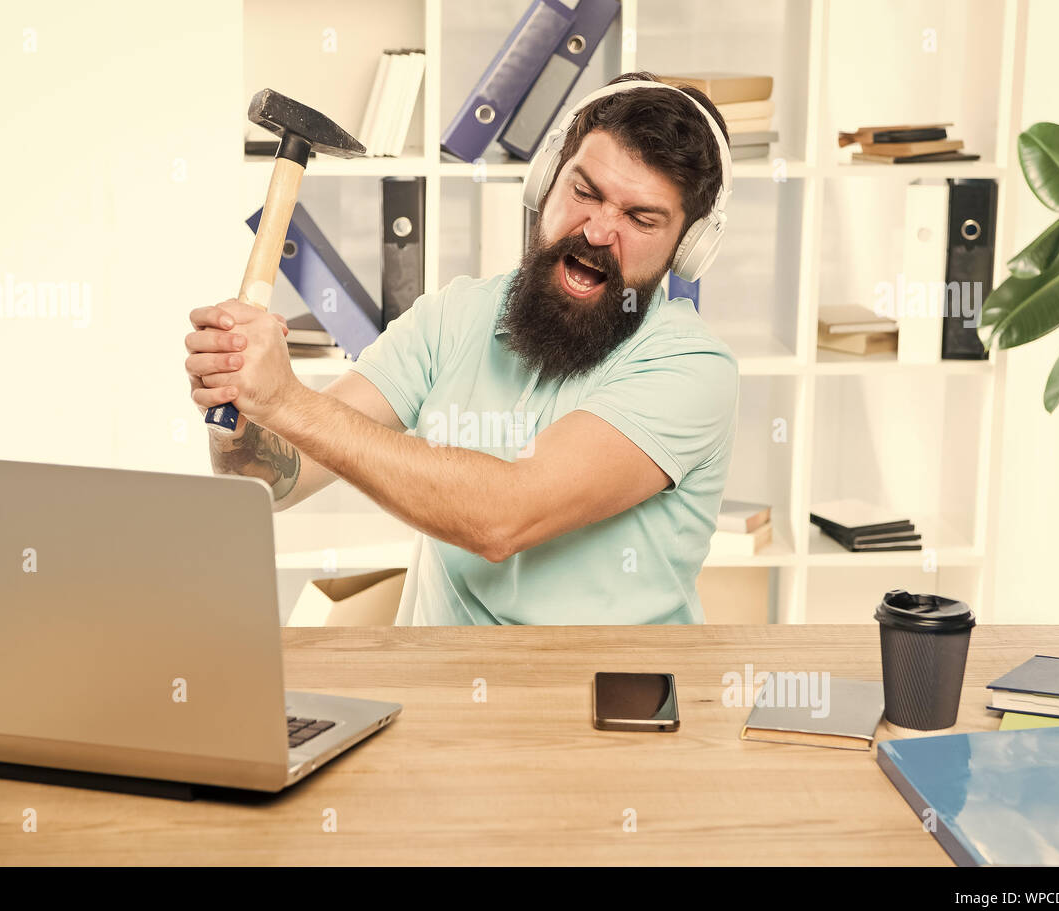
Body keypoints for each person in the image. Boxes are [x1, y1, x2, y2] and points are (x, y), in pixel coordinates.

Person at [184, 71, 739, 625]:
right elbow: (271, 480)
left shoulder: (692, 369)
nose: (597, 231)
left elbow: (502, 519)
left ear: (687, 249)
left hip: (605, 702)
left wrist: (288, 401)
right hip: (439, 690)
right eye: (585, 192)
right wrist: (239, 402)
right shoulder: (456, 316)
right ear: (544, 180)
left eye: (640, 218)